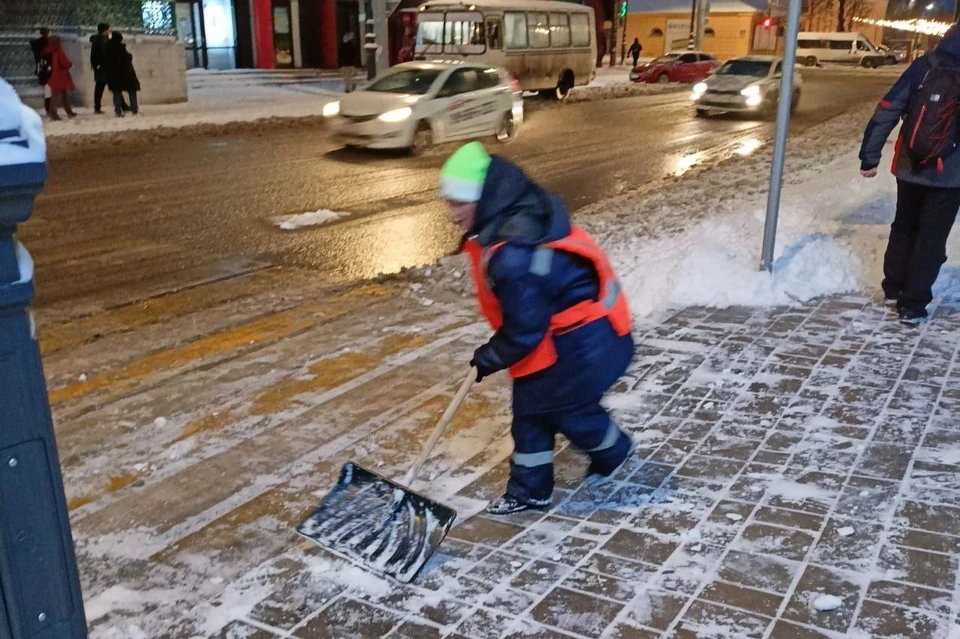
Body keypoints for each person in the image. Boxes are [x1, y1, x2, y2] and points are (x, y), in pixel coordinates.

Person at [440, 142, 636, 515]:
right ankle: (530, 489)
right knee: (531, 410)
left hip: (583, 342)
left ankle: (614, 450)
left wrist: (489, 356)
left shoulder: (515, 254)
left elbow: (525, 330)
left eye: (458, 203)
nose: (451, 214)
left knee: (568, 412)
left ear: (483, 197)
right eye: (448, 202)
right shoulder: (511, 213)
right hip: (568, 335)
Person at [860, 23, 960, 325]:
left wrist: (869, 156)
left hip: (909, 165)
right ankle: (912, 304)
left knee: (904, 224)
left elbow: (888, 108)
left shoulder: (924, 66)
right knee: (932, 236)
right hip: (950, 176)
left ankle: (893, 288)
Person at [105, 32, 140, 117]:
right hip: (127, 73)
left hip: (114, 75)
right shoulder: (121, 48)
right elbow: (128, 58)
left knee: (116, 93)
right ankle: (134, 109)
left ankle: (118, 111)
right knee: (132, 91)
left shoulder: (108, 49)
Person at [45, 36, 76, 120]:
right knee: (59, 95)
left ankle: (68, 111)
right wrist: (70, 64)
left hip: (52, 76)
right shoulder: (58, 51)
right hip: (60, 75)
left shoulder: (48, 51)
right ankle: (54, 113)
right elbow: (64, 62)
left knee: (60, 94)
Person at [90, 23, 116, 114]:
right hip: (103, 67)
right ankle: (121, 105)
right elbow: (104, 53)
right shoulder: (101, 40)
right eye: (108, 30)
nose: (109, 31)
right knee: (113, 86)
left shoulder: (99, 39)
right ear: (104, 30)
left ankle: (97, 107)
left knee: (100, 87)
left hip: (100, 67)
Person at [29, 28, 52, 113]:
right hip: (47, 68)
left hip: (41, 68)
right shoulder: (46, 43)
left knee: (47, 88)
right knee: (48, 88)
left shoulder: (37, 44)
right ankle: (48, 106)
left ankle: (48, 106)